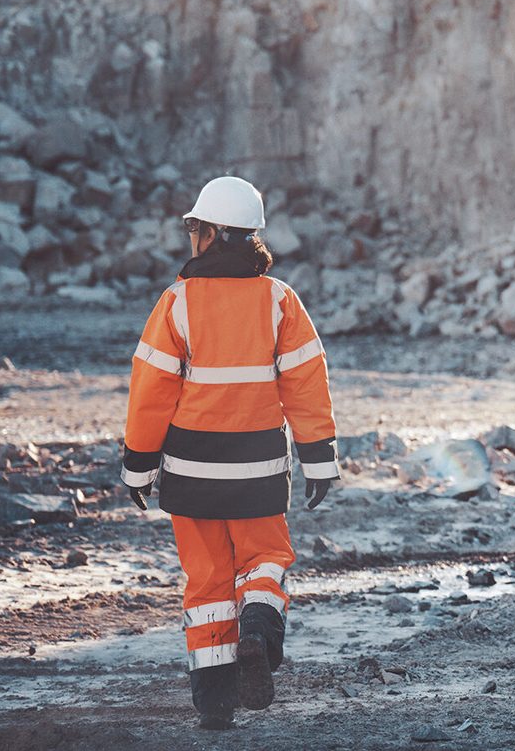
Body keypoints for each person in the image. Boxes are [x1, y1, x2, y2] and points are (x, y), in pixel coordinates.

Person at [119, 175, 340, 730]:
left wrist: (138, 466)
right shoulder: (279, 300)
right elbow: (306, 385)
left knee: (208, 582)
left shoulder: (176, 303)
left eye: (195, 228)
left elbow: (151, 393)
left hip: (190, 474)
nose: (191, 236)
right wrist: (318, 458)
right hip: (260, 470)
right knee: (264, 560)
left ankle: (214, 703)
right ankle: (260, 634)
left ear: (213, 233)